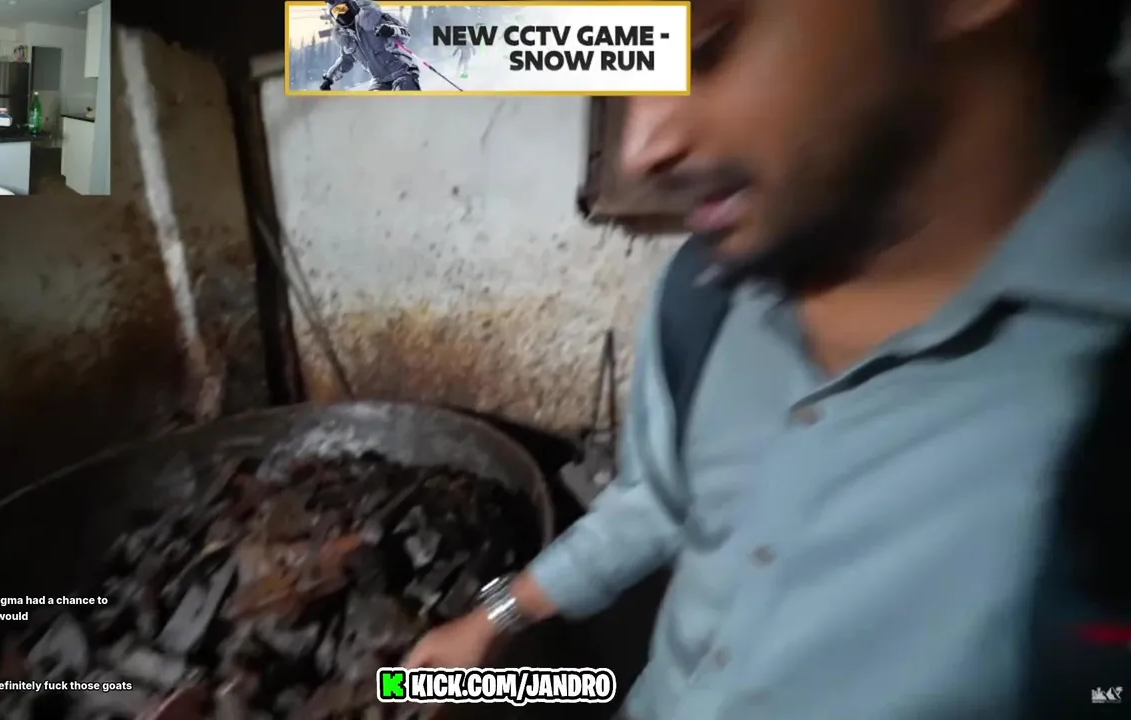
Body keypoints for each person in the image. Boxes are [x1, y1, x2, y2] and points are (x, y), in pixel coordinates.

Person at [405, 1, 1130, 718]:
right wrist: (493, 618)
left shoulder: (1103, 414)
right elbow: (657, 503)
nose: (640, 150)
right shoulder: (707, 294)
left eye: (707, 42)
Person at [319, 0, 420, 92]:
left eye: (342, 8)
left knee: (403, 90)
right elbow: (346, 60)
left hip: (402, 71)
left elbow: (405, 34)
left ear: (352, 6)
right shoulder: (347, 38)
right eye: (336, 12)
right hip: (380, 80)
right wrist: (329, 79)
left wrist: (392, 30)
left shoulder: (375, 20)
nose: (341, 14)